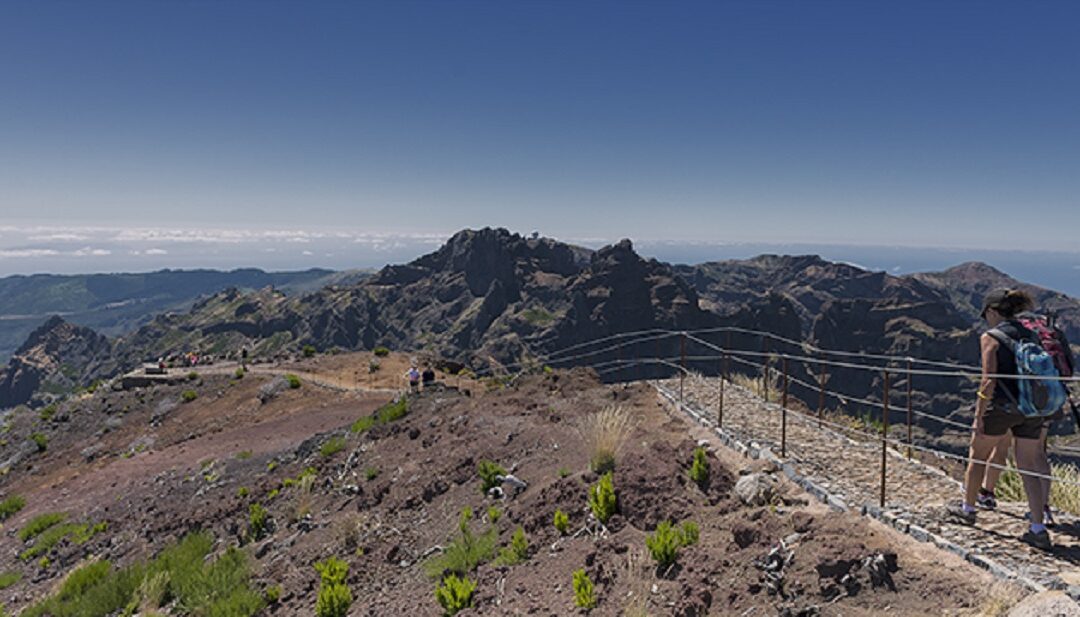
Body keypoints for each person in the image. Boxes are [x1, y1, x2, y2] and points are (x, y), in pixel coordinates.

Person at [948, 289, 1053, 550]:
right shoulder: (1031, 334)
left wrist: (979, 415)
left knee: (977, 455)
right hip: (1031, 408)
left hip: (1001, 406)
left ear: (993, 312)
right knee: (1027, 465)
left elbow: (988, 380)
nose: (986, 319)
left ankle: (968, 509)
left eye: (986, 314)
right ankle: (1037, 529)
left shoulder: (990, 337)